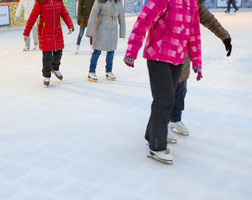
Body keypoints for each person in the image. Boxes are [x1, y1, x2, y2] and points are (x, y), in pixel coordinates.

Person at [124, 0, 202, 164]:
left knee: (167, 98)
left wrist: (197, 61)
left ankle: (151, 134)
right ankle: (157, 146)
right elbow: (143, 21)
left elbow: (194, 34)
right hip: (158, 55)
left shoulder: (192, 4)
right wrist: (132, 50)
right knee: (165, 100)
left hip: (178, 58)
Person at [167, 0, 233, 143]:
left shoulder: (195, 5)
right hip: (165, 52)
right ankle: (163, 124)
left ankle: (175, 119)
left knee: (181, 88)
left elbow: (210, 20)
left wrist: (225, 36)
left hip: (182, 54)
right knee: (166, 92)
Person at [23, 0, 74, 86]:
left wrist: (70, 25)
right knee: (47, 56)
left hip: (57, 31)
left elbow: (65, 13)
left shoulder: (59, 1)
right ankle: (46, 76)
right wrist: (26, 32)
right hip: (45, 32)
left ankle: (55, 68)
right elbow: (32, 17)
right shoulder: (40, 2)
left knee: (59, 52)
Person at [86, 0, 126, 82]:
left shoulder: (118, 2)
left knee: (111, 51)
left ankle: (109, 71)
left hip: (113, 29)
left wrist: (122, 32)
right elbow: (93, 15)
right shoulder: (100, 1)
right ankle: (91, 71)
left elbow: (121, 17)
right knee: (97, 51)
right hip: (101, 28)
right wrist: (89, 31)